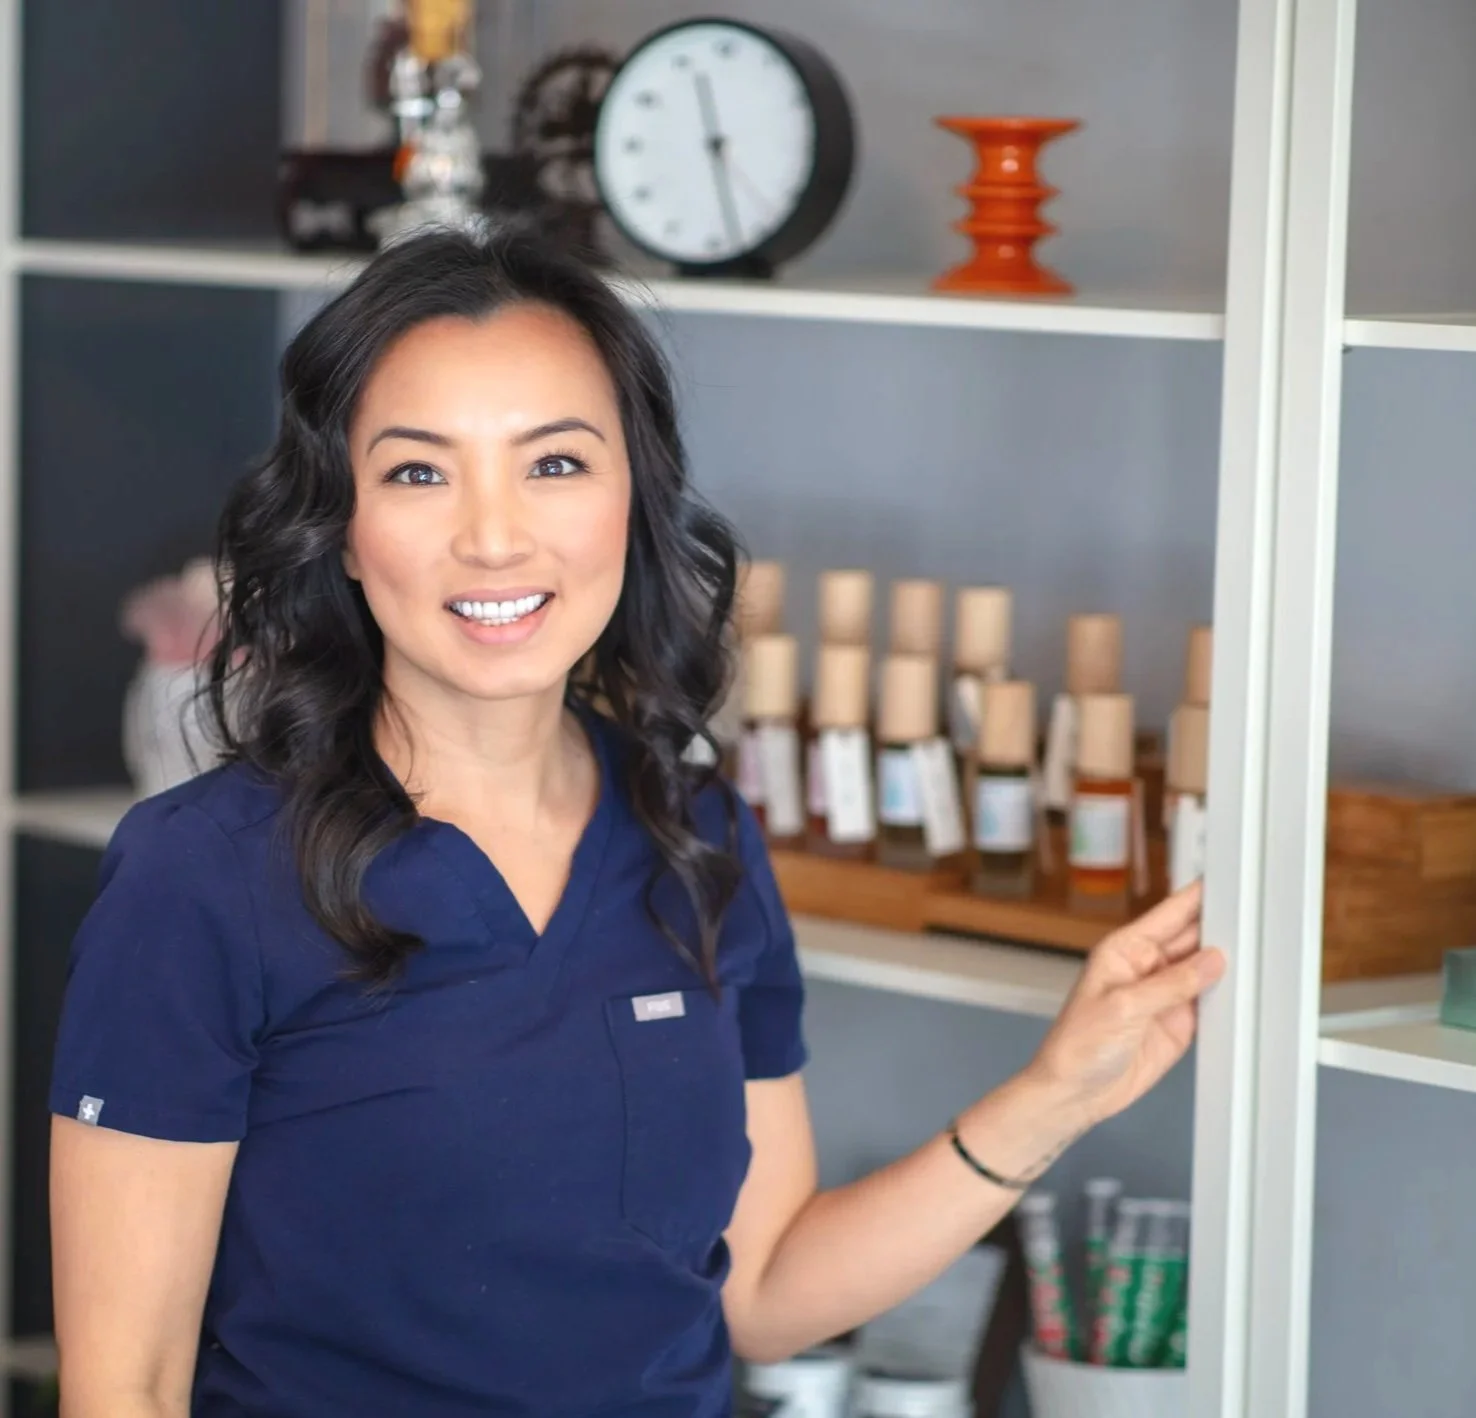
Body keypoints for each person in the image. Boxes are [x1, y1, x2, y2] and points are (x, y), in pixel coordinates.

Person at [48, 226, 1225, 1418]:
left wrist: (1060, 1091)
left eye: (554, 464)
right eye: (419, 471)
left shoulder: (693, 827)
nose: (495, 534)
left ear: (635, 497)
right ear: (341, 526)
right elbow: (124, 1388)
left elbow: (764, 1285)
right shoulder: (205, 872)